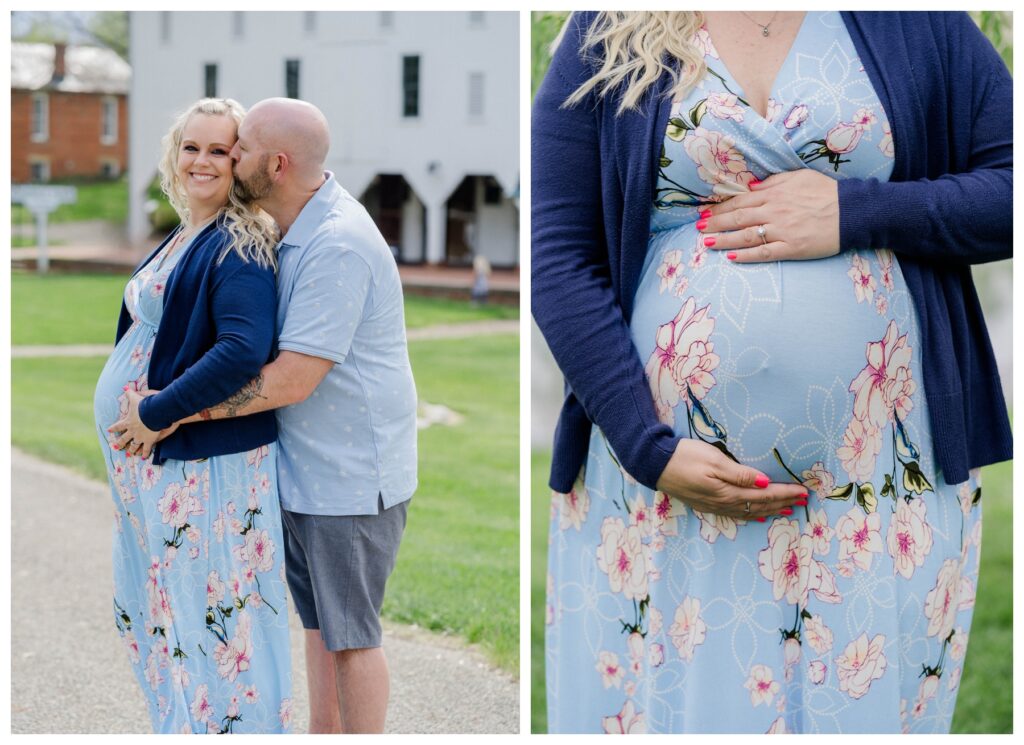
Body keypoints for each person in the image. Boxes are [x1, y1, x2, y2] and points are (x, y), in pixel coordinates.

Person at [533, 11, 1011, 734]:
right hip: (662, 488)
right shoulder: (611, 25)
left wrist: (860, 210)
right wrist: (644, 444)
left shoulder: (919, 20)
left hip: (879, 489)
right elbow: (558, 254)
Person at [112, 97, 418, 734]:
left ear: (274, 164)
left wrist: (167, 416)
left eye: (237, 148)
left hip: (352, 476)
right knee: (320, 627)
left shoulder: (338, 244)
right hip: (306, 469)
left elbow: (290, 379)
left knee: (352, 637)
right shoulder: (290, 227)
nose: (226, 157)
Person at [94, 98, 291, 734]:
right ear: (173, 156)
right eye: (191, 147)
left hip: (203, 472)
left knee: (213, 621)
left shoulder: (240, 240)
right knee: (162, 611)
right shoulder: (186, 235)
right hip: (157, 469)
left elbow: (242, 350)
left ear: (239, 162)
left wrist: (156, 411)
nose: (201, 161)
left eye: (218, 150)